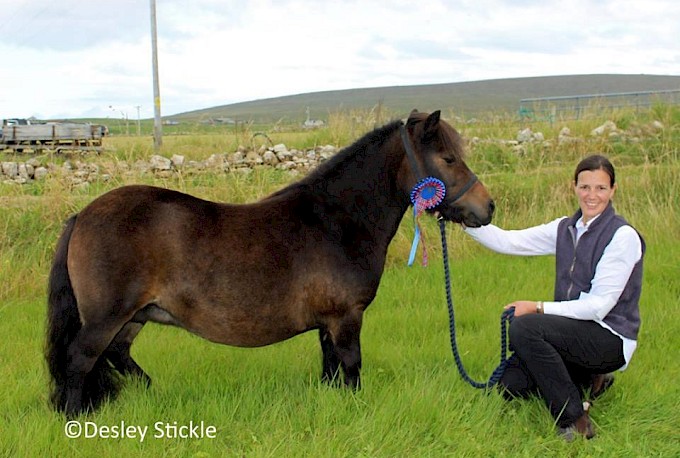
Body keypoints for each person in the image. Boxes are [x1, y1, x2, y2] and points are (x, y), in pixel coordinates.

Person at [462, 154, 645, 441]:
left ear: (613, 190)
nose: (592, 195)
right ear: (573, 187)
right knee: (509, 385)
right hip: (576, 334)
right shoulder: (564, 229)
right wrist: (460, 218)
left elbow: (599, 306)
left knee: (525, 327)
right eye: (585, 187)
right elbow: (508, 241)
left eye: (600, 188)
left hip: (611, 339)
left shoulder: (622, 236)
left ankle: (574, 419)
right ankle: (589, 380)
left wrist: (536, 308)